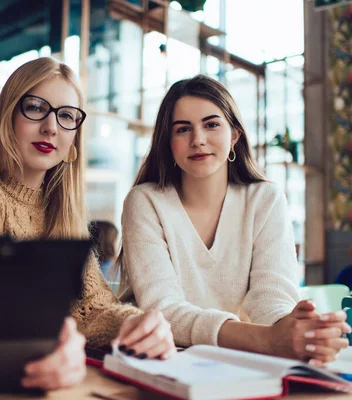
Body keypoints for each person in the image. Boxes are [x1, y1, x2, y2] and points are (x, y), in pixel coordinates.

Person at [0, 57, 175, 391]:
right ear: (7, 116)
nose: (51, 127)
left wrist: (136, 324)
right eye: (35, 108)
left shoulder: (65, 214)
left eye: (66, 116)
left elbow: (93, 308)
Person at [117, 75, 350, 366]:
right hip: (161, 360)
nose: (198, 139)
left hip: (239, 361)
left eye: (211, 124)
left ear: (235, 136)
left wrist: (296, 330)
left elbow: (272, 299)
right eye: (182, 129)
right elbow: (164, 311)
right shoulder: (145, 201)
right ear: (168, 143)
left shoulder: (266, 199)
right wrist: (268, 339)